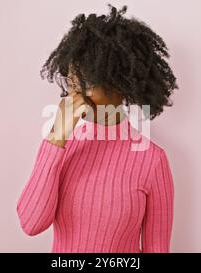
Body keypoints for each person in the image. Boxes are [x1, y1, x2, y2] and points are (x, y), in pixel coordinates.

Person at [16, 4, 179, 253]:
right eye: (71, 81)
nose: (75, 92)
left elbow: (157, 249)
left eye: (86, 81)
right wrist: (57, 136)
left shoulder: (152, 160)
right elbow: (31, 224)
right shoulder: (60, 148)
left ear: (120, 83)